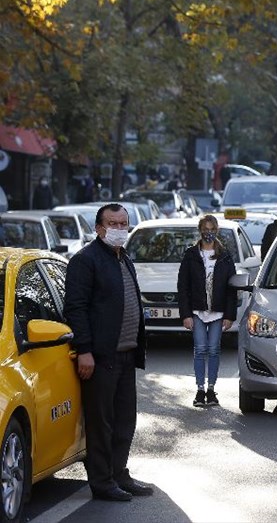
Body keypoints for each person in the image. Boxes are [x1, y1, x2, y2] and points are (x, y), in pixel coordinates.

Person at [63, 203, 153, 502]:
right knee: (101, 423)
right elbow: (75, 308)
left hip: (126, 354)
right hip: (101, 357)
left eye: (123, 223)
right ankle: (102, 482)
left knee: (125, 420)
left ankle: (119, 472)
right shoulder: (85, 260)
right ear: (98, 228)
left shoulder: (123, 257)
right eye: (112, 224)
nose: (118, 229)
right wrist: (85, 350)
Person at [177, 214, 237, 407]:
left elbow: (231, 288)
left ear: (216, 230)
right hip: (197, 311)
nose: (208, 233)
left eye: (212, 229)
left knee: (214, 349)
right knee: (200, 349)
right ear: (200, 230)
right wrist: (185, 314)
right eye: (205, 229)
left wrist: (229, 315)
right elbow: (183, 286)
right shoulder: (191, 255)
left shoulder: (225, 256)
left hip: (218, 312)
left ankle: (211, 389)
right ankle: (200, 389)